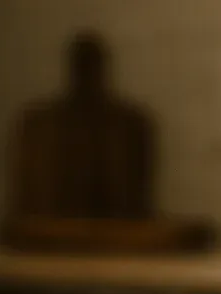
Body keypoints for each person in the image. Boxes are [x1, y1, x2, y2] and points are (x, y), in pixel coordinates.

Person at [9, 32, 156, 221]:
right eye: (83, 65)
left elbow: (136, 195)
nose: (86, 73)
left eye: (90, 65)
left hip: (112, 231)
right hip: (53, 232)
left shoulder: (129, 125)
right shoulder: (40, 126)